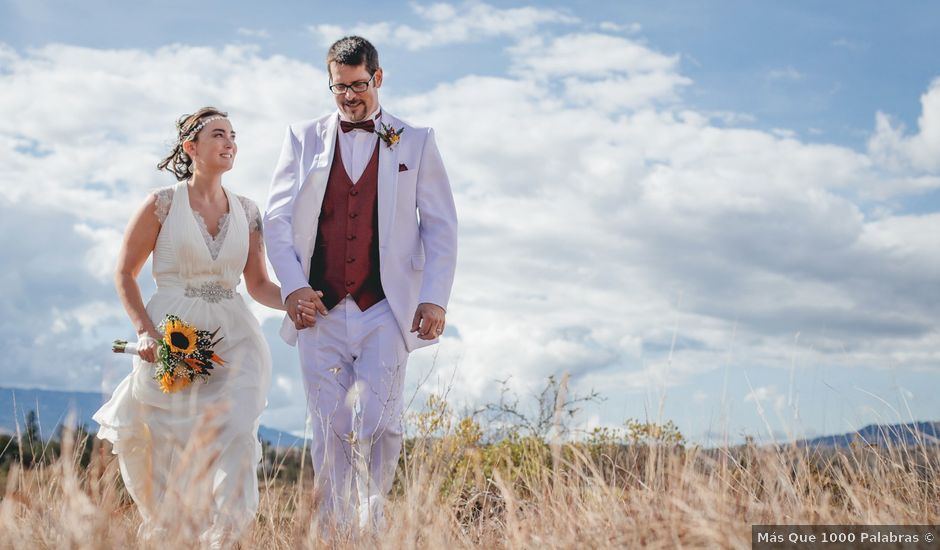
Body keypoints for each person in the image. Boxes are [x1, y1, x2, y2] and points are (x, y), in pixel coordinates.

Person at [264, 36, 458, 532]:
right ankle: (333, 531)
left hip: (384, 307)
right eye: (339, 87)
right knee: (329, 429)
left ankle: (372, 524)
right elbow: (278, 218)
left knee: (381, 423)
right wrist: (292, 288)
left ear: (378, 78)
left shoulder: (414, 140)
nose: (350, 97)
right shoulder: (302, 137)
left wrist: (434, 297)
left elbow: (439, 224)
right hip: (320, 310)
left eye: (358, 85)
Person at [93, 107, 283, 547]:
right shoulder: (161, 203)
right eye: (218, 134)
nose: (229, 142)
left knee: (237, 428)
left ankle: (226, 536)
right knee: (173, 448)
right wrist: (144, 331)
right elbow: (125, 273)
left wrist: (295, 301)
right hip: (171, 339)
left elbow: (257, 285)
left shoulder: (250, 211)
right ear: (190, 147)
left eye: (233, 135)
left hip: (236, 339)